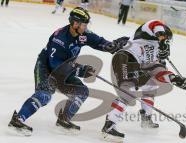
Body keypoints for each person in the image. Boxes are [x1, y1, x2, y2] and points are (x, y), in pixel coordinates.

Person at [8, 7, 129, 136]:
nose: (85, 27)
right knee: (45, 95)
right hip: (46, 67)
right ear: (75, 24)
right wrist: (80, 71)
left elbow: (97, 41)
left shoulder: (82, 34)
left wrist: (110, 46)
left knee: (81, 92)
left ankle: (63, 119)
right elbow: (56, 66)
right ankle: (18, 119)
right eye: (83, 24)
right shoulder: (60, 39)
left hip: (65, 68)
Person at [101, 20, 186, 142]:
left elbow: (158, 73)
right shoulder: (146, 32)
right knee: (128, 92)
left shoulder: (157, 55)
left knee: (151, 86)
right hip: (124, 58)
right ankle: (109, 125)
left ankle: (146, 118)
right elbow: (155, 24)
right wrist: (162, 41)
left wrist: (174, 79)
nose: (166, 41)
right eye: (165, 38)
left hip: (135, 65)